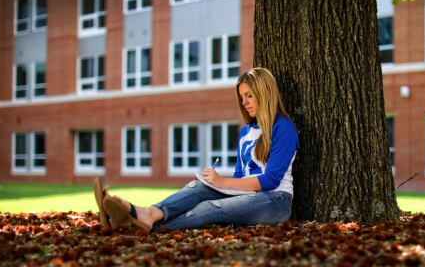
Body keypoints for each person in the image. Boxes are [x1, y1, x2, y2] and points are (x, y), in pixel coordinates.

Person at [93, 68, 299, 232]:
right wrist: (219, 186)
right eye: (241, 96)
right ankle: (147, 213)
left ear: (265, 93)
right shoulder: (245, 132)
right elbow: (240, 176)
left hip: (275, 201)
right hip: (251, 197)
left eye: (249, 95)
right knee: (197, 188)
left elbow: (271, 179)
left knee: (209, 208)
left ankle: (135, 222)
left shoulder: (283, 127)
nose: (244, 102)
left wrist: (223, 182)